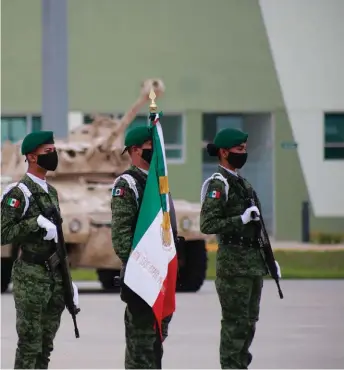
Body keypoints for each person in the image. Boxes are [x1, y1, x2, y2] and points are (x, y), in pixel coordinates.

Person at [200, 128, 281, 369]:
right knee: (235, 326)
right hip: (233, 267)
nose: (243, 153)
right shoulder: (219, 184)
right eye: (238, 149)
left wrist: (268, 259)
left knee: (248, 324)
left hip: (251, 266)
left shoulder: (242, 184)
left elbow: (258, 229)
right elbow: (207, 224)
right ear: (224, 152)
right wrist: (240, 220)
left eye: (244, 149)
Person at [1, 131, 75, 369]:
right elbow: (3, 233)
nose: (54, 155)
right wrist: (35, 223)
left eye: (54, 150)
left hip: (54, 276)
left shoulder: (51, 192)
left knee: (45, 345)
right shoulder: (18, 192)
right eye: (48, 152)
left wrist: (68, 280)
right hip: (31, 276)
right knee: (30, 344)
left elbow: (59, 241)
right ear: (32, 157)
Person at [111, 125, 177, 369]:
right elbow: (121, 239)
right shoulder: (128, 184)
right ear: (136, 150)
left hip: (161, 278)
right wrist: (145, 270)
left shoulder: (158, 182)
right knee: (141, 353)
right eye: (152, 147)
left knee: (155, 349)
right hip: (143, 281)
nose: (158, 152)